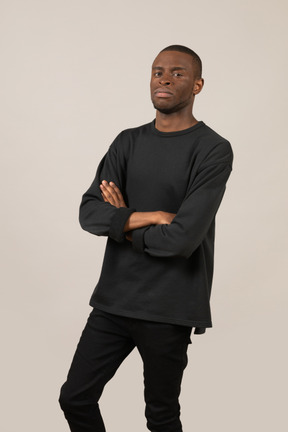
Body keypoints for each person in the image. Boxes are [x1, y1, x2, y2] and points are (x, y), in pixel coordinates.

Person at [58, 44, 233, 432]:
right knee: (74, 398)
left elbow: (182, 240)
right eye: (158, 72)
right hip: (114, 300)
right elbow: (89, 213)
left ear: (198, 84)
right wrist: (151, 216)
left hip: (169, 309)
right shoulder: (127, 142)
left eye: (177, 73)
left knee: (161, 416)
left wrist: (121, 223)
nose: (165, 79)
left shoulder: (213, 150)